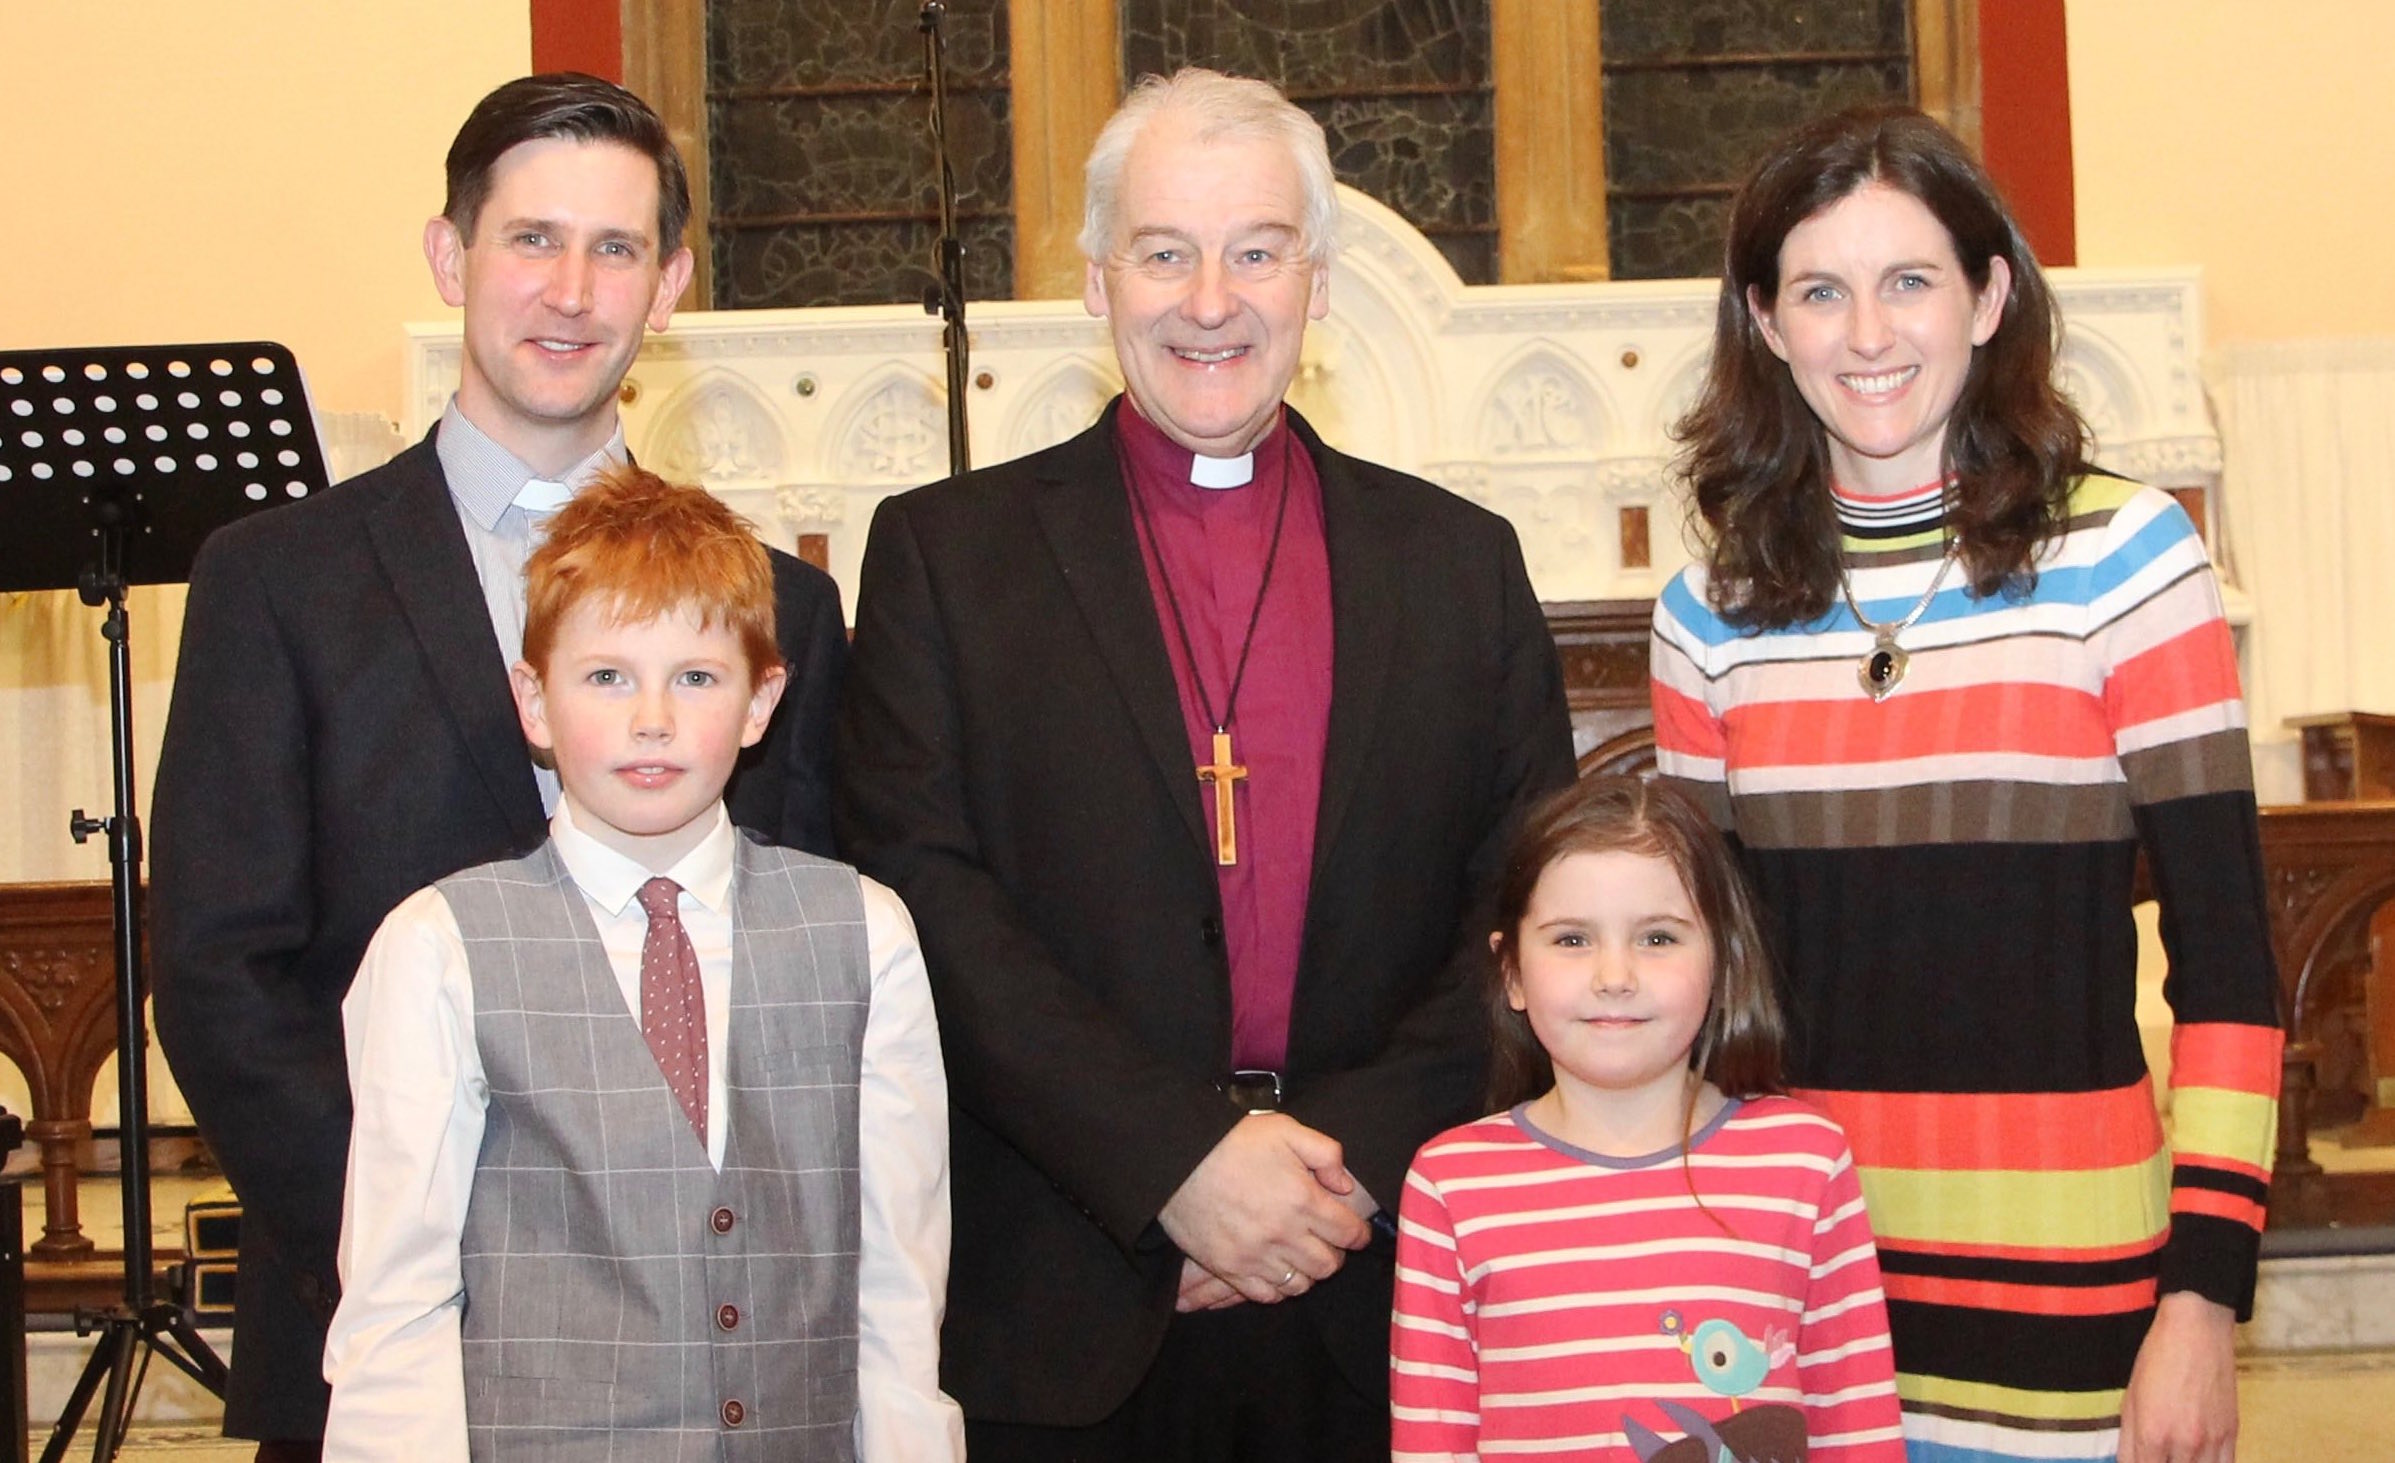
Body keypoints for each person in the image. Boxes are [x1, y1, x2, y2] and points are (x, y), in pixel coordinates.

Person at [834, 67, 1575, 1463]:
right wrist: (1171, 1162)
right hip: (1062, 1287)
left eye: (1255, 249)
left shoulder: (1455, 566)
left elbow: (1520, 908)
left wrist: (1319, 1177)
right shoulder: (949, 556)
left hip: (1376, 1288)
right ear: (1095, 280)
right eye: (1163, 252)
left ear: (1318, 278)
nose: (1208, 299)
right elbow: (918, 898)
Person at [150, 73, 849, 1457]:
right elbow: (222, 971)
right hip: (392, 1320)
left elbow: (801, 963)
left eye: (616, 248)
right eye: (531, 238)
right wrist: (411, 1247)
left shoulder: (780, 606)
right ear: (451, 254)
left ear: (671, 286)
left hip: (714, 1341)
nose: (570, 289)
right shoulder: (275, 581)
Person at [1649, 106, 2280, 1463]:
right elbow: (1703, 985)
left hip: (2069, 1304)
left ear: (1988, 295)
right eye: (1818, 289)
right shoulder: (1707, 610)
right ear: (1762, 320)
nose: (1866, 333)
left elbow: (2228, 963)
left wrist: (2199, 1299)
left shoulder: (2123, 556)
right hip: (1789, 1291)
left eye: (1908, 281)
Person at [319, 468, 958, 1462]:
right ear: (533, 698)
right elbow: (397, 1303)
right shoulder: (439, 946)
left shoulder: (866, 932)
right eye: (607, 675)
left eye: (696, 676)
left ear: (762, 700)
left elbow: (897, 1285)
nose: (651, 717)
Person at [1391, 776, 1905, 1463]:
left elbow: (1857, 1428)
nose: (1614, 974)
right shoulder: (1451, 1184)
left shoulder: (1804, 1161)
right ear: (1511, 970)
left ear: (1721, 959)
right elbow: (1432, 1444)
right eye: (1571, 939)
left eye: (1657, 937)